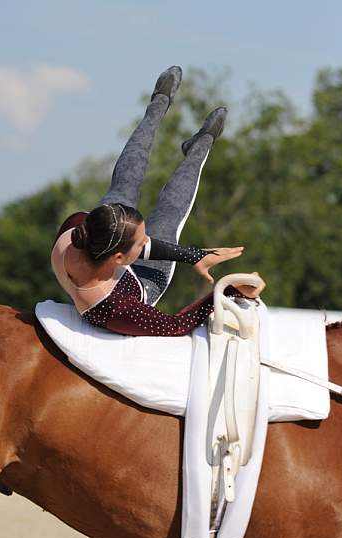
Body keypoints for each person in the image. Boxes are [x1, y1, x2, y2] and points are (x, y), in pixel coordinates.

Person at [51, 66, 265, 337]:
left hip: (105, 262)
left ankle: (160, 105)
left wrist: (197, 258)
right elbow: (174, 325)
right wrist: (230, 289)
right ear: (119, 257)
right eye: (142, 243)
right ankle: (200, 144)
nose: (147, 241)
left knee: (126, 183)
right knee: (168, 215)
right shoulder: (115, 306)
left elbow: (174, 323)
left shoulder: (78, 228)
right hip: (140, 284)